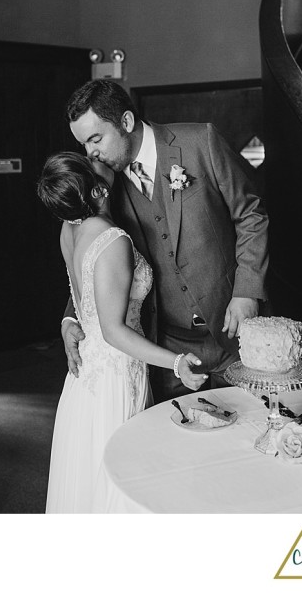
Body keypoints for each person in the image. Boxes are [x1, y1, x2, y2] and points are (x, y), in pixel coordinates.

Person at [62, 79, 269, 402]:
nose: (92, 154)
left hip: (233, 329)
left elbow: (251, 215)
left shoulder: (201, 141)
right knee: (176, 443)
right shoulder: (103, 183)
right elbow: (93, 255)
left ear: (126, 122)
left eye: (96, 139)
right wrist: (71, 316)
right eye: (84, 145)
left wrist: (247, 291)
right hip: (164, 347)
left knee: (251, 433)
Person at [38, 152, 207, 513]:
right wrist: (176, 362)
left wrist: (71, 321)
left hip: (85, 379)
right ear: (98, 189)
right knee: (120, 483)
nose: (95, 155)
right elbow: (114, 331)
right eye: (90, 160)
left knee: (90, 482)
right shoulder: (113, 239)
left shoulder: (69, 228)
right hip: (116, 374)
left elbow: (82, 292)